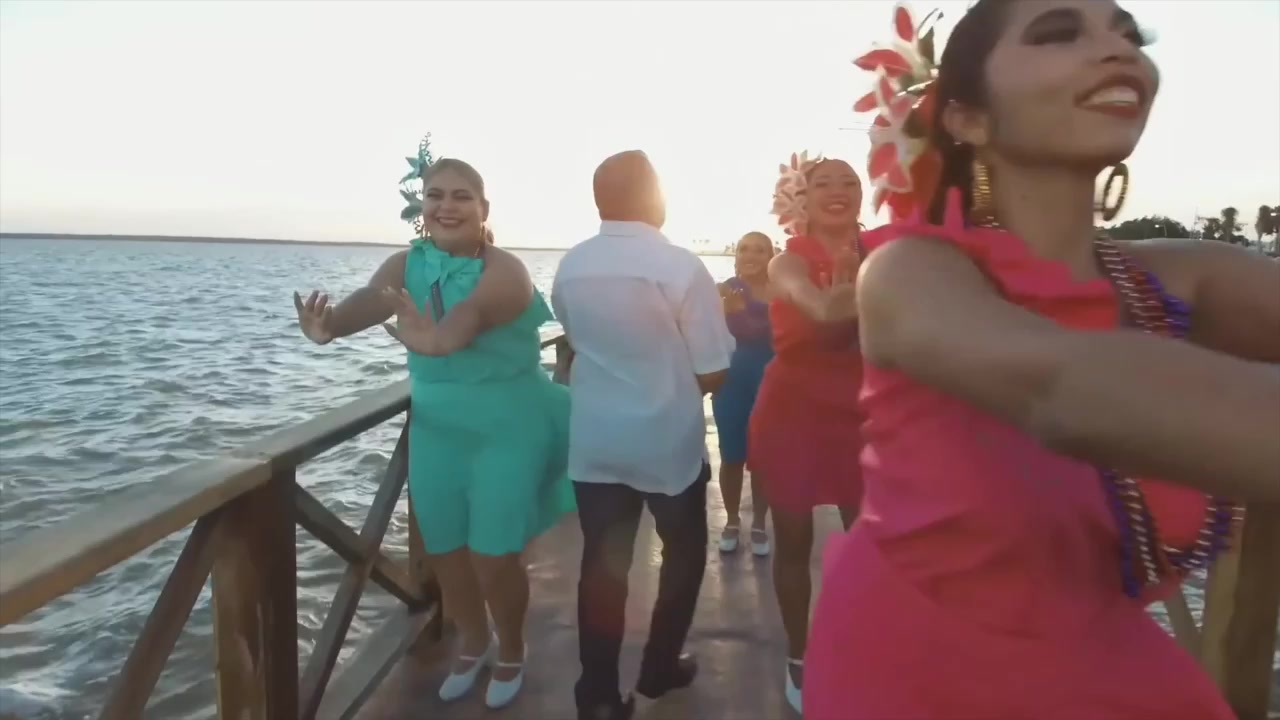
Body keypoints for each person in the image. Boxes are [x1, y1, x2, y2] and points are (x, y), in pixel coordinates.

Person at [804, 2, 1280, 718]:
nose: (1117, 49)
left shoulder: (1175, 276)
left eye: (1130, 34)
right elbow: (1061, 390)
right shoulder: (908, 272)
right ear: (967, 118)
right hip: (920, 669)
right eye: (1060, 34)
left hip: (1101, 653)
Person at [293, 158, 574, 710]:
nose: (447, 206)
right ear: (421, 206)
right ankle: (473, 641)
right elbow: (374, 299)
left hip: (507, 427)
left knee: (494, 553)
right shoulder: (406, 263)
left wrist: (440, 341)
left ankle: (512, 648)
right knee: (445, 548)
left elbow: (473, 314)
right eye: (435, 195)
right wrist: (330, 328)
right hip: (437, 429)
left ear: (483, 209)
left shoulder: (506, 270)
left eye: (461, 196)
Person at [551, 150, 735, 720]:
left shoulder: (571, 267)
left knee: (602, 567)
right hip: (665, 442)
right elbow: (713, 371)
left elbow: (577, 340)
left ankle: (598, 696)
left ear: (599, 201)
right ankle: (658, 666)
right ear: (656, 198)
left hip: (596, 440)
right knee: (683, 551)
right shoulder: (679, 267)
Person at [744, 151, 865, 714]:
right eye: (824, 184)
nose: (838, 190)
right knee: (793, 544)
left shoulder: (884, 254)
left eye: (849, 182)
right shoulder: (786, 260)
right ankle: (800, 653)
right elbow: (802, 295)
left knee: (871, 546)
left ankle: (867, 642)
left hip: (863, 413)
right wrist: (828, 302)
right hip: (793, 412)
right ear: (804, 201)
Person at [712, 231, 776, 556]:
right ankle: (732, 520)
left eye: (759, 250)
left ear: (771, 256)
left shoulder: (784, 292)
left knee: (764, 457)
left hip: (771, 383)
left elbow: (778, 335)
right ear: (736, 256)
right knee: (731, 455)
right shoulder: (721, 291)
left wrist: (739, 313)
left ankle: (760, 522)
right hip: (730, 383)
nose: (751, 255)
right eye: (744, 249)